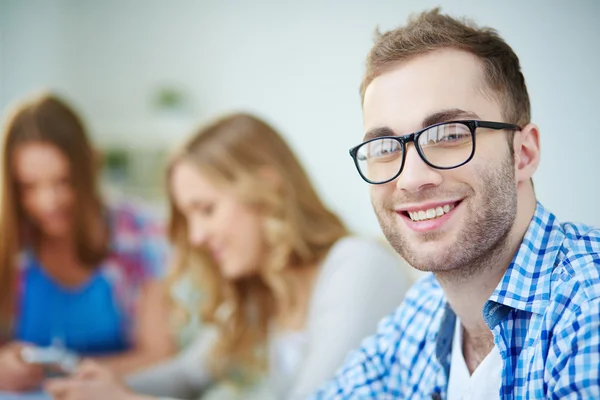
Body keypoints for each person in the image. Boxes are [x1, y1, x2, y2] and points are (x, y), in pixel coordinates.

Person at [313, 8, 600, 399]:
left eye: (448, 135)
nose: (411, 179)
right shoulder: (423, 306)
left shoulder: (589, 306)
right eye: (383, 147)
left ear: (524, 153)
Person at [44, 112, 412, 400]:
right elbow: (186, 376)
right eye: (188, 218)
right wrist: (89, 382)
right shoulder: (262, 292)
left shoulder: (357, 265)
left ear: (267, 188)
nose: (197, 237)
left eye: (206, 209)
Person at [0, 93, 173, 392]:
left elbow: (160, 354)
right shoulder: (10, 242)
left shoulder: (139, 233)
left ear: (87, 168)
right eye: (28, 186)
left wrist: (74, 378)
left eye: (63, 181)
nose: (48, 202)